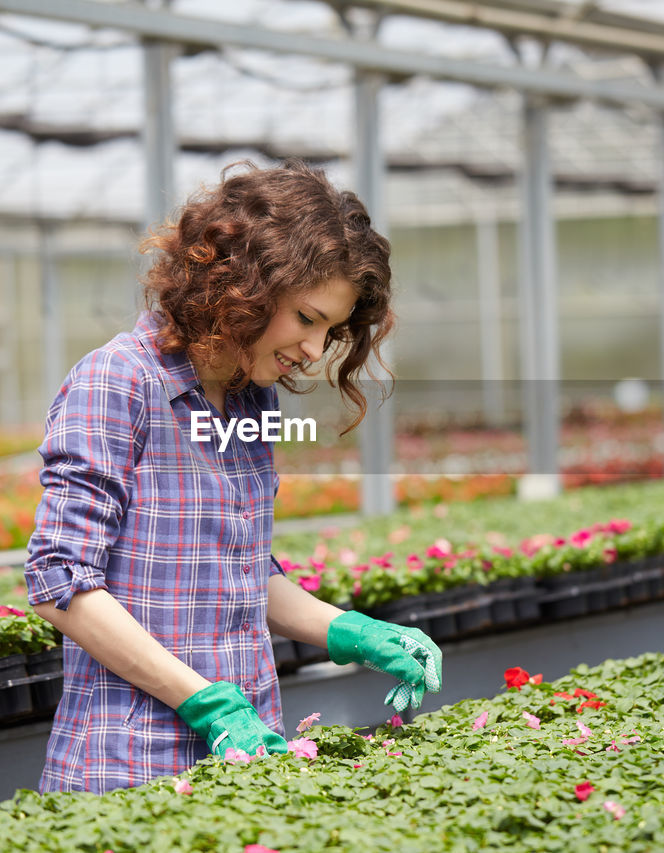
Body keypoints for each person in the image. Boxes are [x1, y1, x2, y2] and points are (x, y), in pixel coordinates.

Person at [24, 161, 443, 794]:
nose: (314, 349)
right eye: (307, 318)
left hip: (249, 759)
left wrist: (350, 630)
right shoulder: (119, 383)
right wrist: (204, 703)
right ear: (242, 286)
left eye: (330, 330)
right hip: (131, 767)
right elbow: (60, 582)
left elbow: (237, 570)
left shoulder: (250, 401)